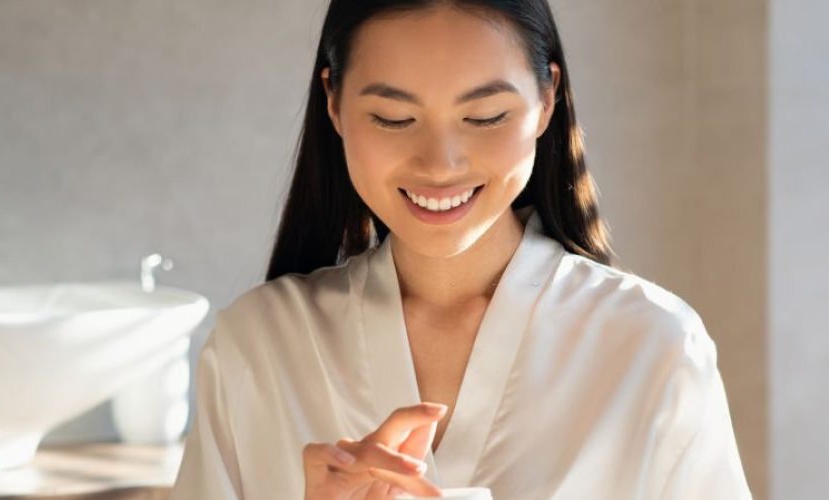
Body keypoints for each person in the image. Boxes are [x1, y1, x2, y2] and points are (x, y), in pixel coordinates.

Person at [169, 0, 753, 498]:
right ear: (334, 103)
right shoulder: (258, 348)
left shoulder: (651, 347)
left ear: (547, 99)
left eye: (485, 116)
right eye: (394, 118)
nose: (440, 164)